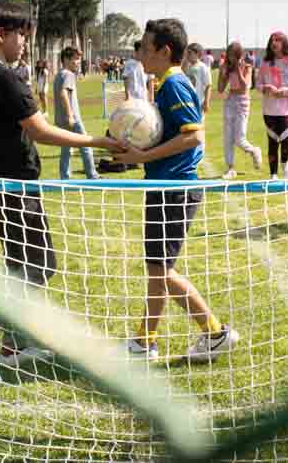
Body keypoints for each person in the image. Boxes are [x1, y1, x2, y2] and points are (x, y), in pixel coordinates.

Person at [0, 0, 122, 385]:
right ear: (2, 35)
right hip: (13, 184)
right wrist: (98, 141)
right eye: (22, 35)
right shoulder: (3, 77)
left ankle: (14, 344)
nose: (25, 43)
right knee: (38, 264)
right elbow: (40, 130)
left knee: (19, 261)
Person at [112, 18, 239, 362]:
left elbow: (193, 135)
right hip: (164, 186)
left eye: (145, 47)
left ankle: (214, 332)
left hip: (175, 189)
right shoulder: (164, 83)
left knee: (161, 271)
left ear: (164, 51)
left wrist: (143, 156)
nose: (140, 54)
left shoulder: (174, 84)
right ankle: (143, 342)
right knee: (158, 268)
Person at [256, 31, 288, 180]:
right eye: (272, 40)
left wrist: (285, 91)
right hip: (269, 109)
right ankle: (273, 174)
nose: (274, 43)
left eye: (277, 40)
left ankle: (285, 164)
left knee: (286, 139)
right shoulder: (265, 63)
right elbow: (258, 84)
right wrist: (265, 88)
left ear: (284, 43)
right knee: (272, 141)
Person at [217, 41, 263, 180]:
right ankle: (230, 168)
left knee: (239, 138)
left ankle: (254, 151)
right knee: (228, 138)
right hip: (230, 101)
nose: (230, 58)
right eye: (229, 55)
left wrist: (237, 69)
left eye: (233, 55)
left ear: (239, 55)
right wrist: (222, 74)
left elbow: (245, 86)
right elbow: (220, 89)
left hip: (243, 102)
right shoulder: (227, 67)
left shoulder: (247, 67)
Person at [55, 47, 100, 180]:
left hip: (61, 119)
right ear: (66, 60)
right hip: (72, 118)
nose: (78, 62)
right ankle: (92, 175)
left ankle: (64, 178)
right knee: (86, 145)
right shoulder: (68, 74)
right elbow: (63, 93)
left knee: (66, 148)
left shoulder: (60, 74)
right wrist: (70, 115)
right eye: (75, 59)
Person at [184, 43, 212, 117]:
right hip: (188, 101)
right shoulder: (187, 67)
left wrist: (206, 101)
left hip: (198, 102)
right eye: (187, 53)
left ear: (197, 54)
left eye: (190, 53)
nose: (187, 55)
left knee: (198, 124)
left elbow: (208, 85)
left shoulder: (202, 67)